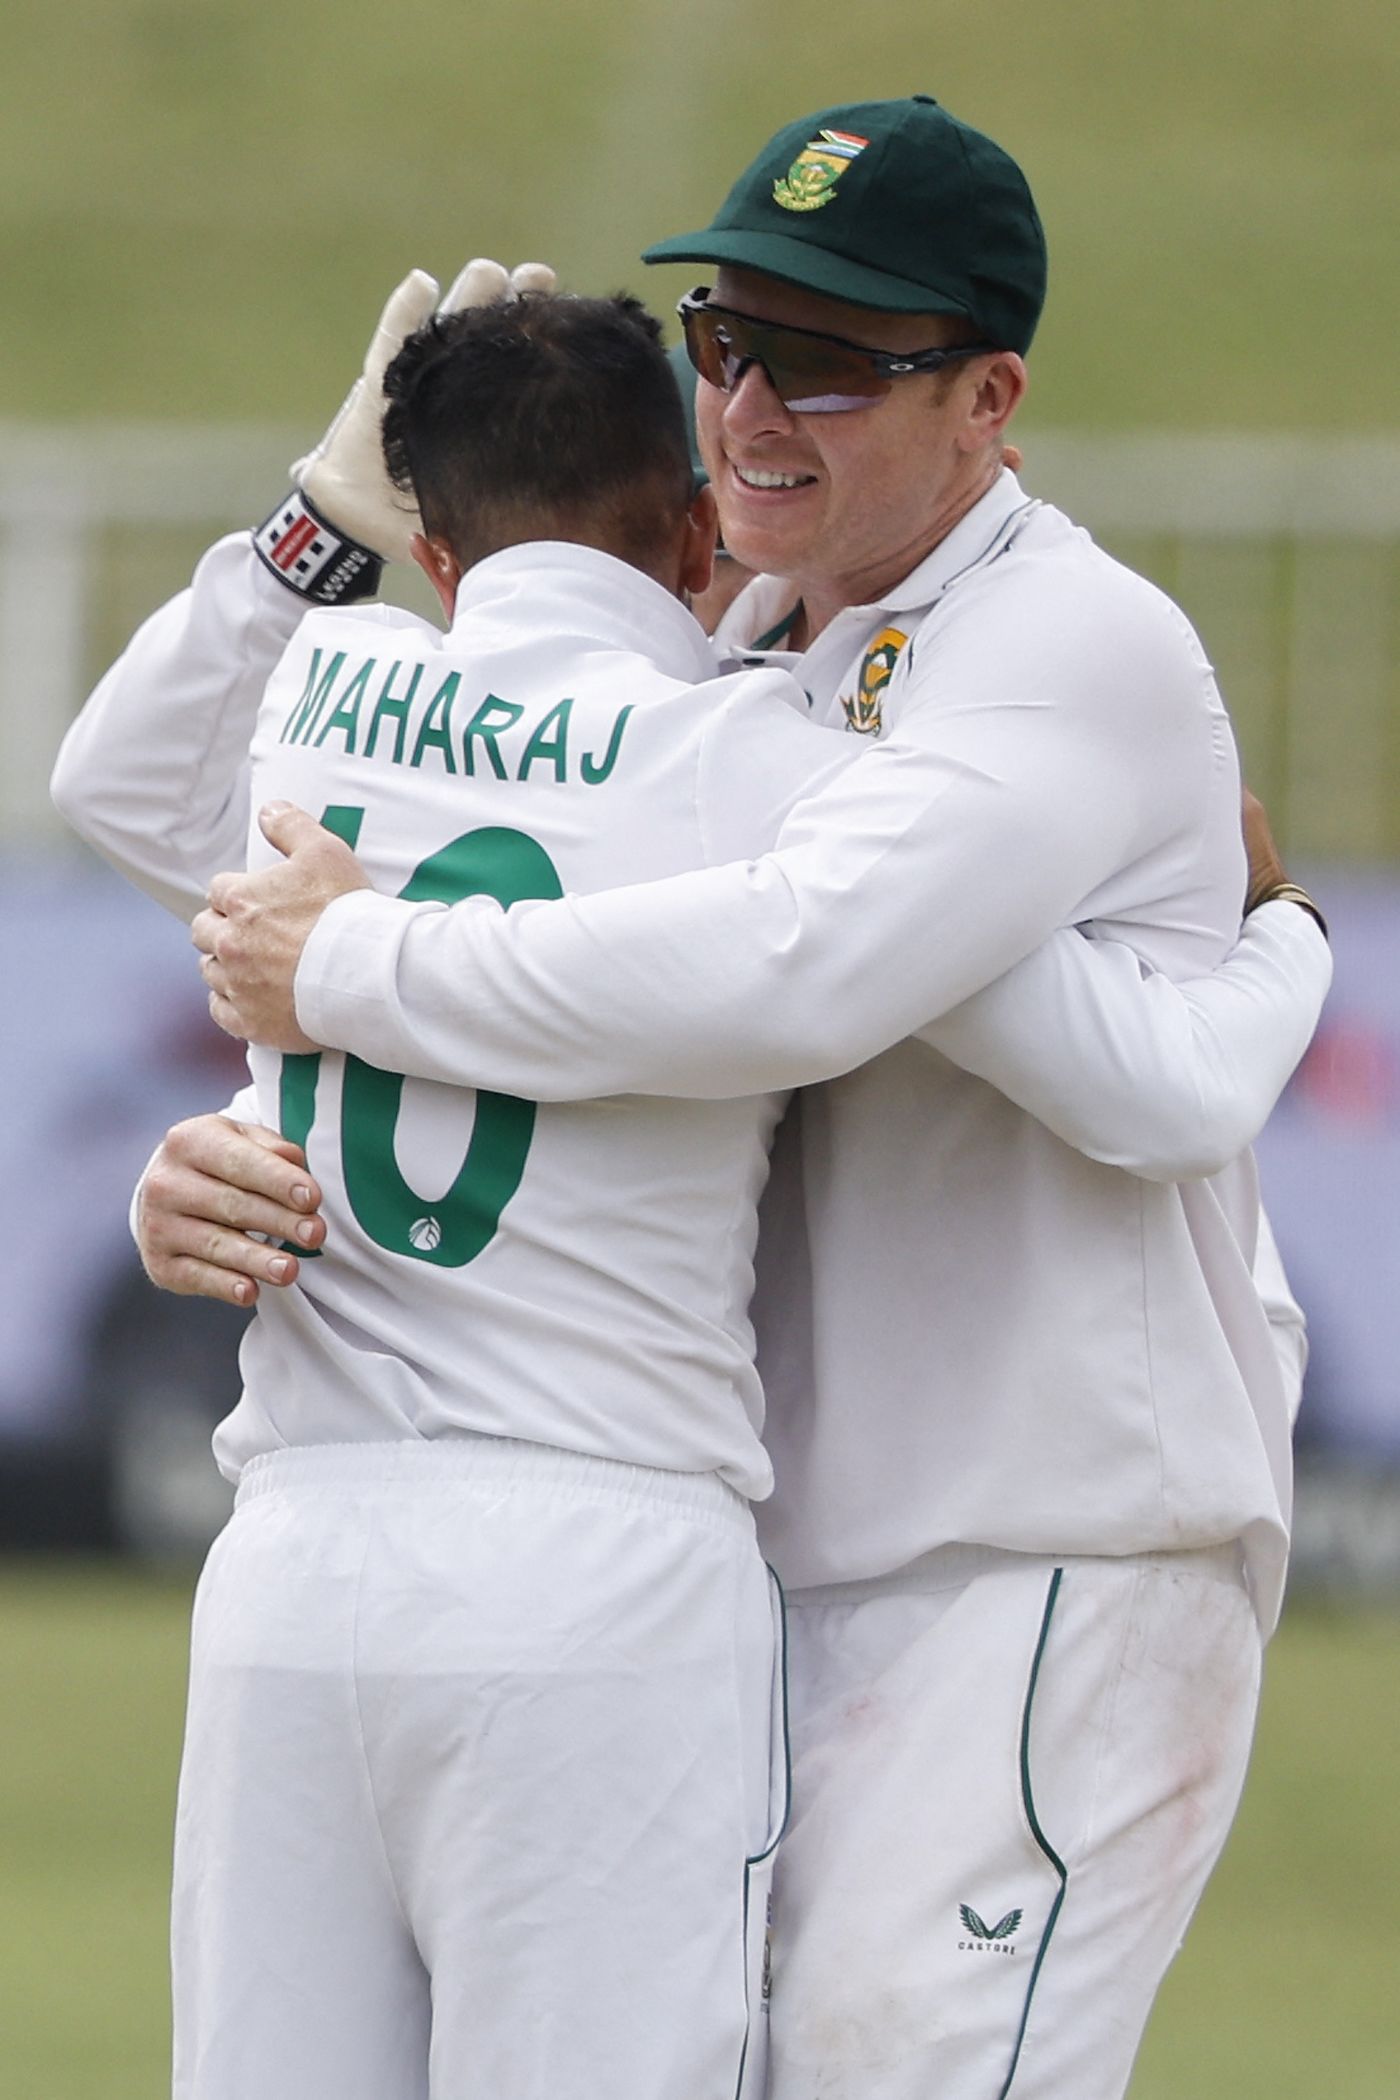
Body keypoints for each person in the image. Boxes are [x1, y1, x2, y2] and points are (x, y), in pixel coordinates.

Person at [51, 99, 1333, 2100]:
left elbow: (883, 994)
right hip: (768, 1544)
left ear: (991, 398)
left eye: (827, 361)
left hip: (1048, 1541)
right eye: (722, 340)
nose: (749, 405)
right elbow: (208, 839)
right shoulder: (742, 667)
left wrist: (346, 969)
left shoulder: (1058, 645)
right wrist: (261, 1108)